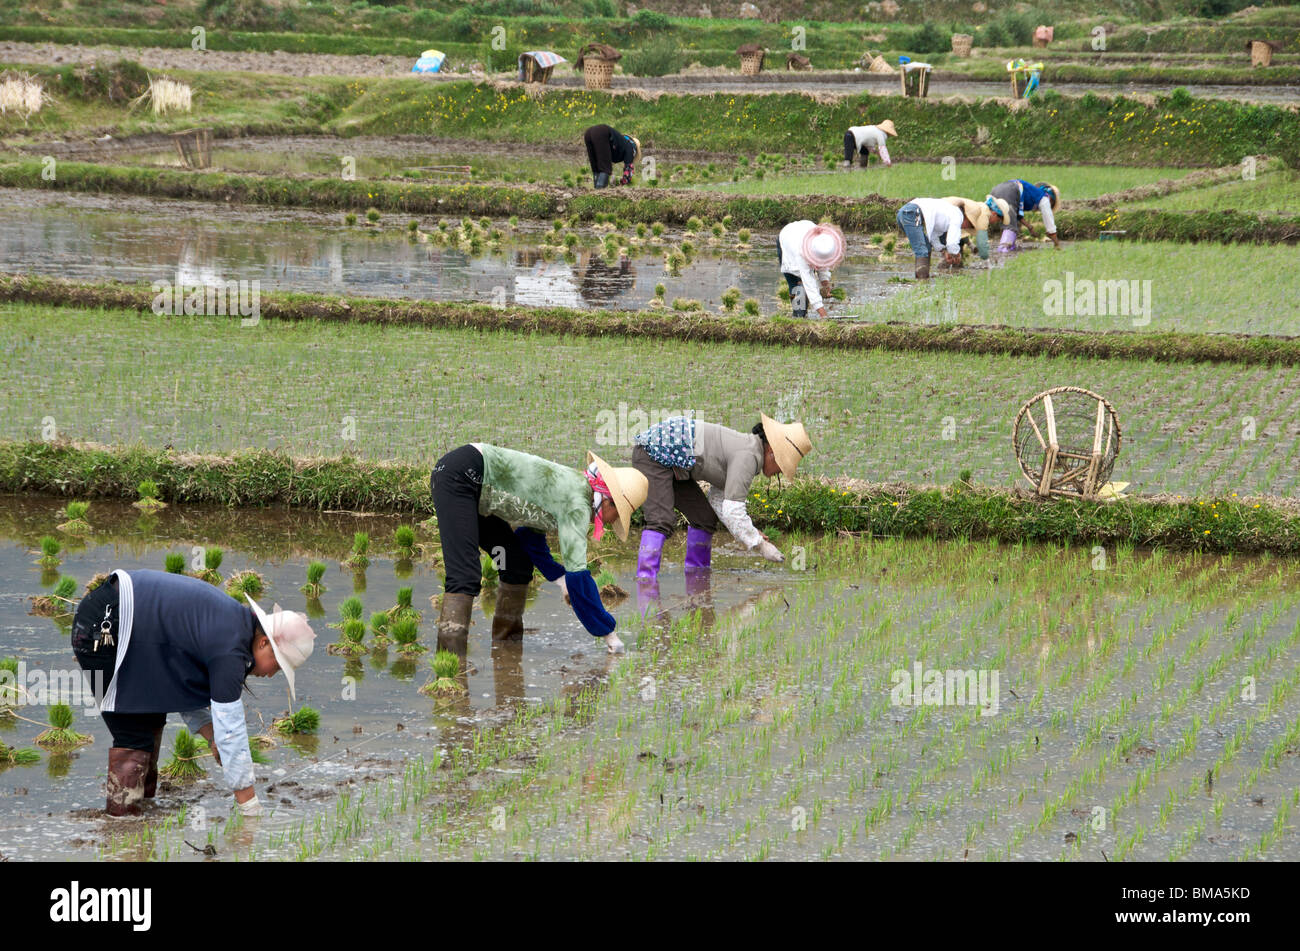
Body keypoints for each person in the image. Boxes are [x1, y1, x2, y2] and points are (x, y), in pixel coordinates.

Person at [70, 570, 316, 817]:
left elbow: (180, 685)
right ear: (263, 643)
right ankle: (121, 828)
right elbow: (231, 732)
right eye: (278, 664)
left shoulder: (232, 628)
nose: (273, 674)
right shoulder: (231, 651)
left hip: (115, 618)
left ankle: (139, 820)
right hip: (104, 626)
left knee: (151, 717)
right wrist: (249, 807)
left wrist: (211, 737)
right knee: (134, 734)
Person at [431, 444, 648, 654]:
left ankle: (506, 651)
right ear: (608, 502)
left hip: (475, 491)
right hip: (462, 477)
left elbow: (529, 538)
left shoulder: (572, 486)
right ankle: (450, 665)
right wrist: (609, 634)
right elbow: (579, 578)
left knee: (516, 563)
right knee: (464, 575)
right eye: (617, 516)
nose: (612, 522)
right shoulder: (578, 504)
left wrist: (559, 578)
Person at [632, 414, 813, 580]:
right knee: (661, 520)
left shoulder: (750, 453)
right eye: (783, 467)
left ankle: (697, 578)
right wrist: (761, 546)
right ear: (773, 453)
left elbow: (719, 502)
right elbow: (733, 511)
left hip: (675, 464)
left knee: (705, 519)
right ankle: (645, 582)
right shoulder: (748, 457)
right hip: (652, 455)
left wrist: (751, 532)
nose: (779, 472)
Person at [778, 221, 845, 318]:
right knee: (797, 285)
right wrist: (824, 315)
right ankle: (798, 316)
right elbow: (810, 284)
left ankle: (803, 314)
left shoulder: (825, 242)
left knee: (805, 286)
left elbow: (823, 263)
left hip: (803, 231)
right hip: (786, 240)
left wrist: (825, 283)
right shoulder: (800, 254)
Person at [896, 196, 965, 280]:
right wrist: (955, 253)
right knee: (922, 251)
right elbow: (952, 242)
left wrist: (944, 251)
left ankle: (923, 278)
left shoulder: (945, 213)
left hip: (903, 213)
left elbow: (933, 236)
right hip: (912, 213)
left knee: (927, 247)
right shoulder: (958, 214)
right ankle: (922, 283)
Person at [988, 180, 1061, 251]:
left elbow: (1016, 214)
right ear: (1051, 199)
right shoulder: (1044, 198)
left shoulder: (1031, 194)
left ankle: (1010, 247)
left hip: (996, 190)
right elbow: (1050, 223)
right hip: (1011, 191)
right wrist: (1056, 243)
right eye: (1051, 205)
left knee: (989, 216)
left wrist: (1030, 227)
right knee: (1011, 226)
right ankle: (1003, 250)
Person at [943, 195, 1011, 261]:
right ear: (994, 214)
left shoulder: (978, 210)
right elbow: (982, 241)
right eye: (998, 220)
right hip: (942, 213)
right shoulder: (985, 213)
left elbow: (961, 233)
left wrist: (970, 245)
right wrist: (986, 259)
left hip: (941, 214)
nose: (995, 222)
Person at [582, 124, 640, 189]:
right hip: (601, 132)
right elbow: (628, 171)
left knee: (596, 169)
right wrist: (621, 184)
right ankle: (600, 193)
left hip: (588, 133)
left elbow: (605, 156)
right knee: (605, 169)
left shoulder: (620, 143)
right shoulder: (630, 147)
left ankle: (596, 192)